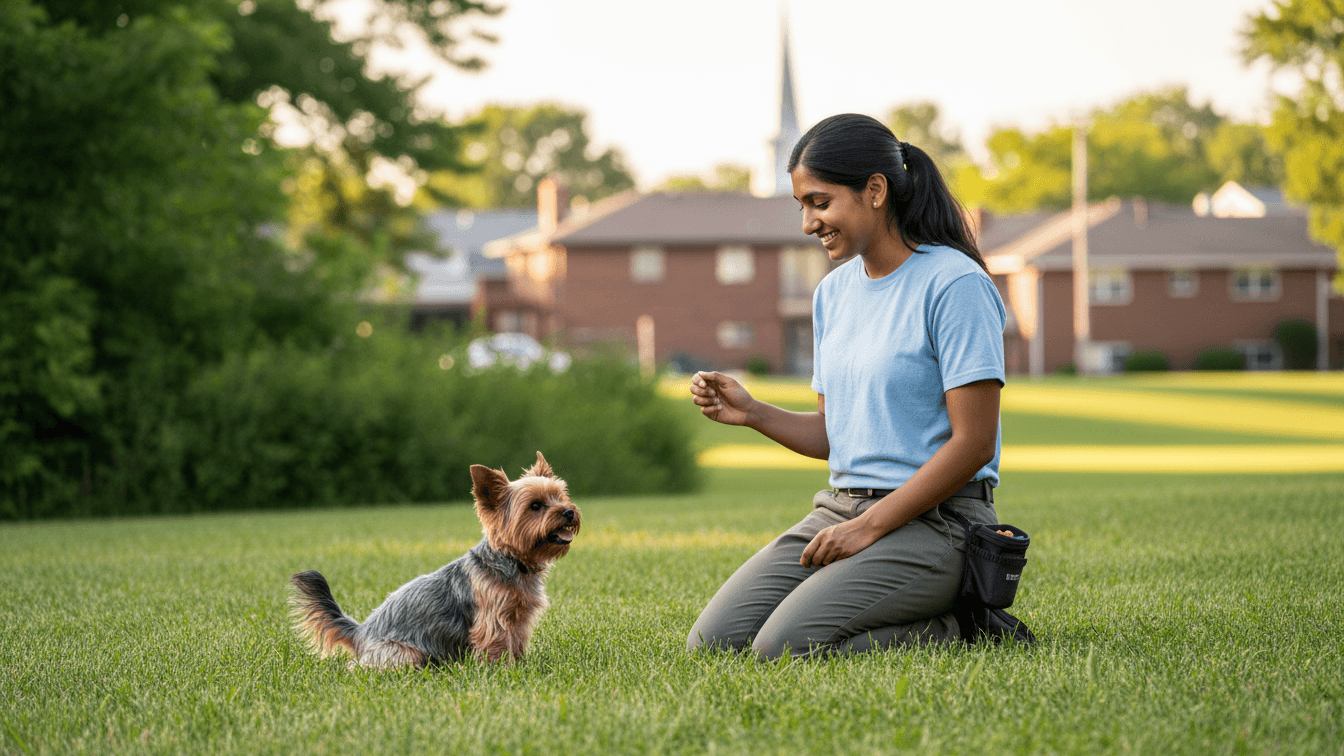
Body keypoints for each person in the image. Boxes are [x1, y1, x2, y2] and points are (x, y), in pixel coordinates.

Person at [686, 113, 1008, 659]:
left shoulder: (955, 285)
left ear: (875, 190)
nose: (808, 223)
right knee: (713, 645)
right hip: (842, 509)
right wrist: (753, 412)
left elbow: (974, 443)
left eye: (820, 201)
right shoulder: (832, 294)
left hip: (941, 524)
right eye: (802, 206)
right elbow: (837, 437)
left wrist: (872, 527)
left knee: (782, 649)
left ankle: (966, 627)